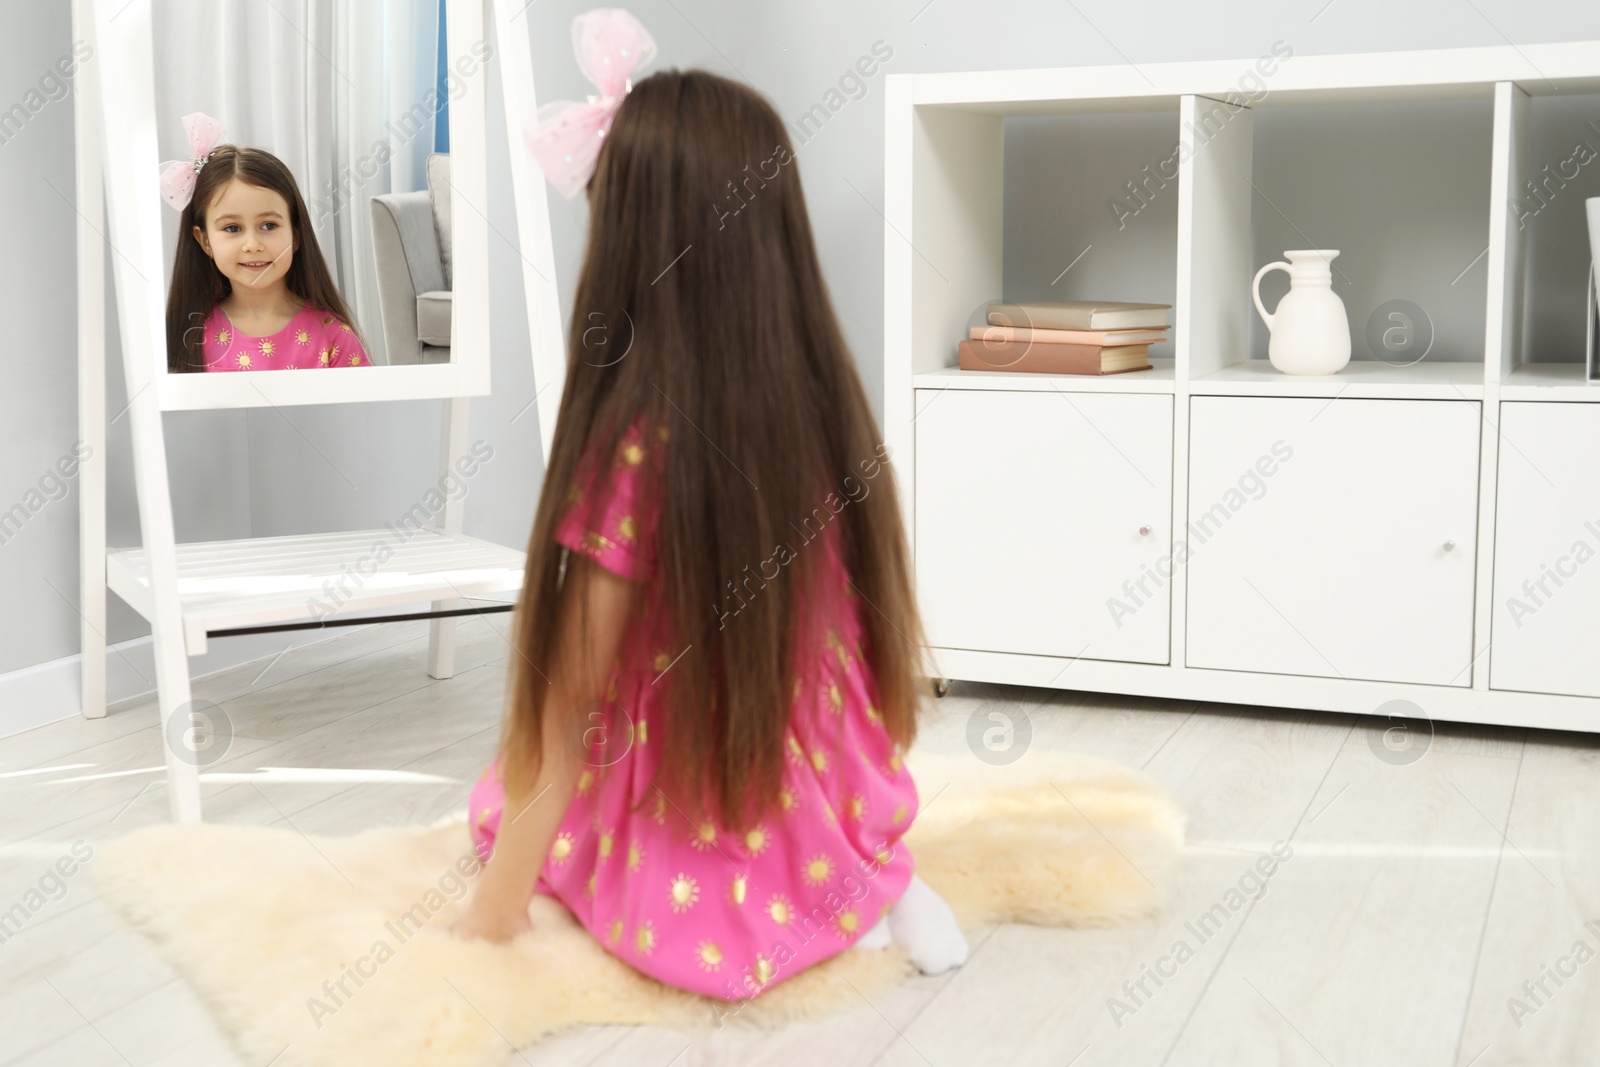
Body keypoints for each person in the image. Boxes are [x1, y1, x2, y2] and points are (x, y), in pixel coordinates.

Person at [446, 9, 968, 1003]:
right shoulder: (813, 403)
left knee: (505, 809)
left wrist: (494, 909)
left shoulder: (634, 448)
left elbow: (570, 704)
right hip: (823, 779)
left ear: (631, 240)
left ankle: (829, 902)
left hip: (705, 778)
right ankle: (867, 886)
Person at [160, 113, 370, 373]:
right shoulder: (188, 339)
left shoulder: (333, 336)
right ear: (204, 241)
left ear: (296, 234)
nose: (252, 244)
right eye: (232, 228)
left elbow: (361, 412)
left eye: (269, 226)